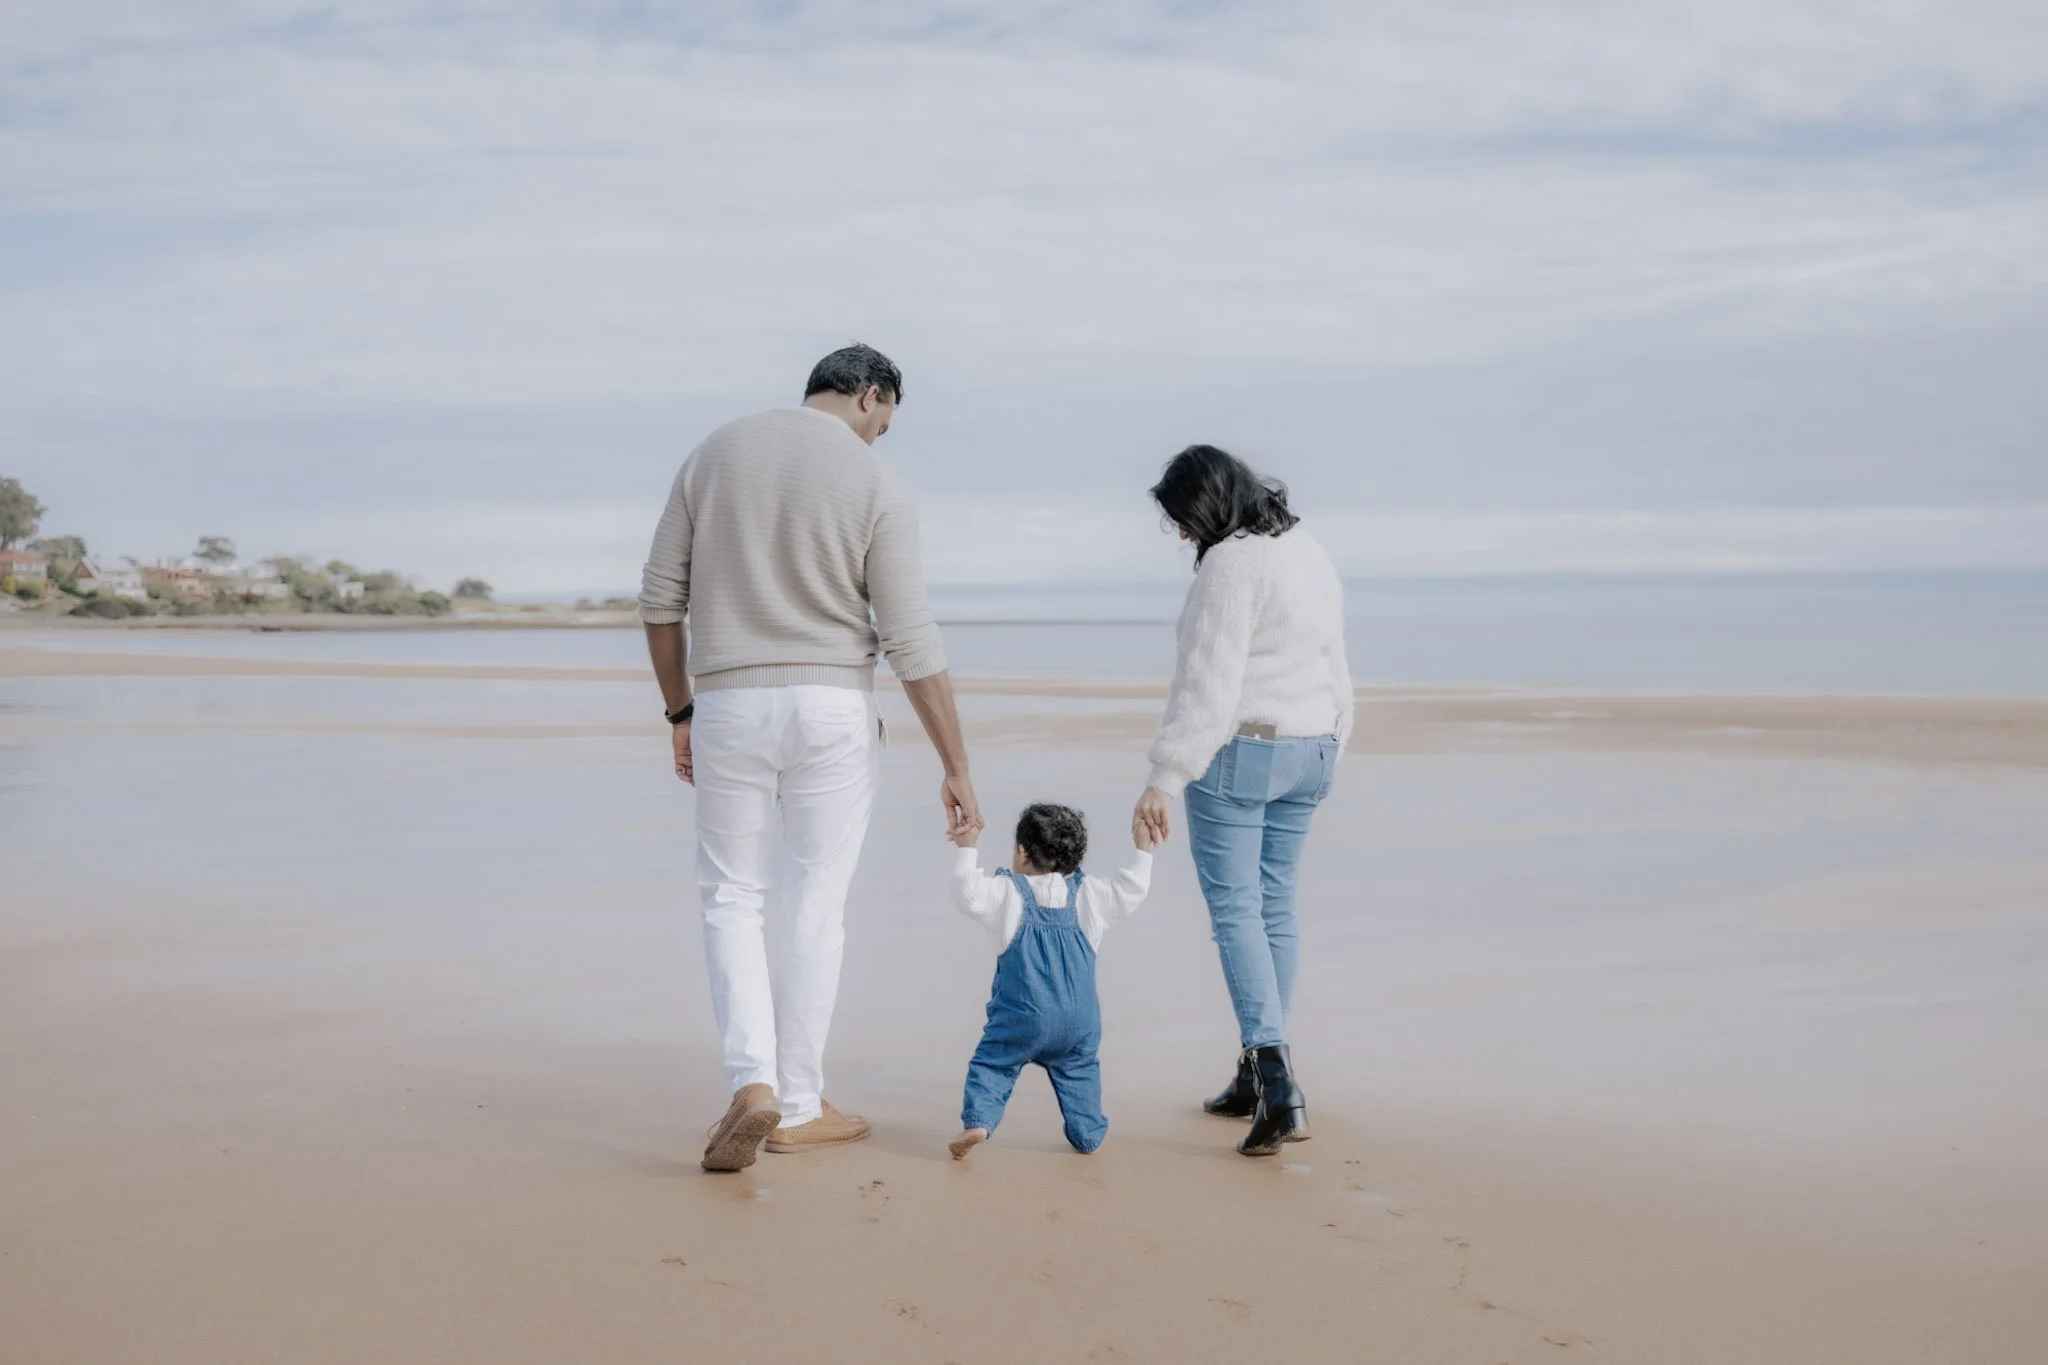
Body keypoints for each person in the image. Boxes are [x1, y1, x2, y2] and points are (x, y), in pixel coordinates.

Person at [639, 343, 984, 1173]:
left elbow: (659, 600)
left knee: (731, 895)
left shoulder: (713, 453)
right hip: (832, 707)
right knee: (815, 901)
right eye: (885, 422)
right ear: (870, 394)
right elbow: (910, 639)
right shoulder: (875, 484)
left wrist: (680, 709)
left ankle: (752, 1081)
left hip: (727, 700)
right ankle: (798, 1102)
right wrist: (956, 765)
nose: (879, 438)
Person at [1130, 445, 1352, 1157]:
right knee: (1275, 906)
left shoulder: (1234, 562)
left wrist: (1165, 775)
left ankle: (1276, 1080)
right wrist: (1332, 747)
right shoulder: (1308, 549)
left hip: (1245, 751)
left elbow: (1210, 682)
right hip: (1311, 746)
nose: (1185, 535)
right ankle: (1253, 1075)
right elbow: (1335, 662)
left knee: (1237, 913)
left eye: (1184, 520)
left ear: (1210, 502)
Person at [946, 803, 1153, 1160]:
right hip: (1079, 1023)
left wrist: (967, 846)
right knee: (1080, 1071)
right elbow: (1132, 889)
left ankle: (979, 1121)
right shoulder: (1091, 895)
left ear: (1023, 852)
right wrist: (1143, 849)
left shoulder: (1007, 893)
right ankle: (1088, 1132)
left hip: (1021, 1018)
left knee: (993, 1063)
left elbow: (968, 893)